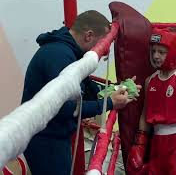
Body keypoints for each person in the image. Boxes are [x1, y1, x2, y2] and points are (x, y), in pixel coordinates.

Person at [21, 10, 141, 175]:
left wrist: (118, 89)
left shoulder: (71, 54)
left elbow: (88, 90)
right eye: (102, 44)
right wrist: (110, 103)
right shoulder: (59, 56)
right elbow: (65, 109)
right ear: (89, 36)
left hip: (53, 135)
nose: (104, 51)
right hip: (45, 140)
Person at [127, 27, 176, 175]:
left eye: (161, 52)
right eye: (153, 51)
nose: (156, 56)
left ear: (175, 52)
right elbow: (145, 115)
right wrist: (139, 144)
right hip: (157, 141)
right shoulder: (150, 81)